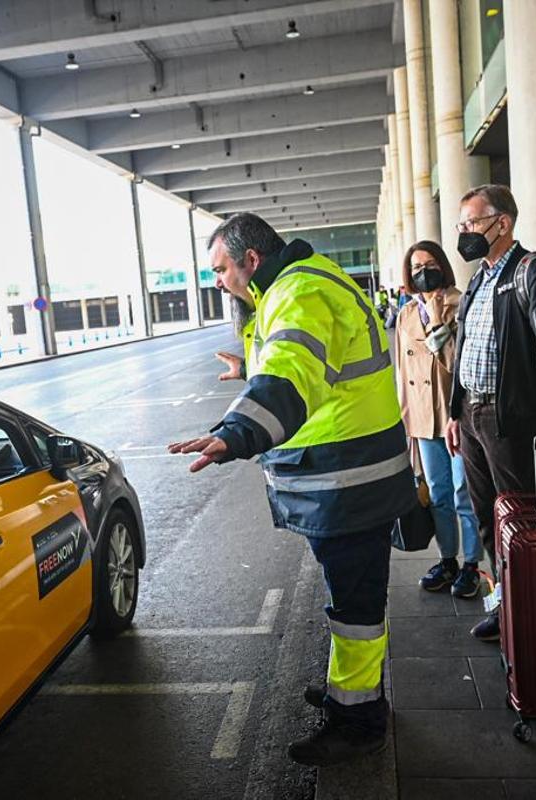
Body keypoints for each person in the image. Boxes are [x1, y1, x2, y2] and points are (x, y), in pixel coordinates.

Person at [168, 213, 416, 766]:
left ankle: (358, 720)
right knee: (351, 600)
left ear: (251, 261)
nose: (218, 281)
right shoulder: (306, 280)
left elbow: (290, 374)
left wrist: (233, 435)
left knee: (355, 608)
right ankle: (349, 693)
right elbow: (302, 364)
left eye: (220, 269)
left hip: (349, 484)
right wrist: (246, 370)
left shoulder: (298, 291)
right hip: (350, 479)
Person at [443, 184, 536, 643]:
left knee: (519, 516)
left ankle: (534, 609)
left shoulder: (533, 273)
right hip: (470, 414)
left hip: (509, 418)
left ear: (501, 223)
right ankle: (505, 602)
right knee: (486, 516)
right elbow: (463, 350)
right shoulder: (480, 278)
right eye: (461, 225)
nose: (463, 233)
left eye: (471, 223)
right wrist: (452, 412)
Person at [394, 240, 482, 598]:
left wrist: (435, 323)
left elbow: (457, 365)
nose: (423, 272)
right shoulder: (405, 315)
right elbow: (401, 374)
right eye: (416, 267)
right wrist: (405, 426)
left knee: (465, 493)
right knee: (440, 494)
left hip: (457, 416)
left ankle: (472, 565)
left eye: (429, 264)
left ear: (442, 266)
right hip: (423, 421)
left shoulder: (461, 306)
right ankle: (448, 559)